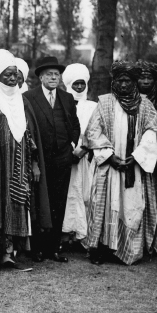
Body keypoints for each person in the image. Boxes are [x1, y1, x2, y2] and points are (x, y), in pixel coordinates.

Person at [0, 50, 50, 274]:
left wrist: (34, 164)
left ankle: (8, 253)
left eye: (15, 74)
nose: (12, 78)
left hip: (19, 168)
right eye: (7, 74)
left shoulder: (22, 102)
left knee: (16, 206)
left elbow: (31, 136)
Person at [85, 61, 157, 265]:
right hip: (110, 166)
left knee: (131, 206)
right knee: (105, 205)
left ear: (134, 82)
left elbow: (153, 130)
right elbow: (93, 132)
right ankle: (101, 249)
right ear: (114, 81)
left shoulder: (145, 104)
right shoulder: (105, 102)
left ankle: (129, 250)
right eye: (120, 81)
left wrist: (138, 154)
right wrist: (109, 156)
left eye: (128, 81)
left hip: (134, 166)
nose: (124, 85)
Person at [23, 56, 80, 263]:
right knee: (39, 202)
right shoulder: (29, 97)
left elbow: (74, 124)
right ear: (40, 77)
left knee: (59, 202)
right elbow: (26, 128)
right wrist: (34, 158)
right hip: (40, 160)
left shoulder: (66, 98)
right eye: (49, 74)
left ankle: (53, 248)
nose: (54, 77)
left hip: (63, 159)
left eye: (56, 74)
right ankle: (37, 248)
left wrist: (72, 145)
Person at [61, 64, 98, 242]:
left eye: (82, 84)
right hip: (66, 157)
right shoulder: (61, 104)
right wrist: (70, 151)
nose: (79, 88)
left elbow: (96, 130)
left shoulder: (93, 106)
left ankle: (83, 235)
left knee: (85, 194)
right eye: (75, 84)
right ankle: (66, 233)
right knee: (67, 194)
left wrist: (83, 149)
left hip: (86, 159)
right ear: (69, 84)